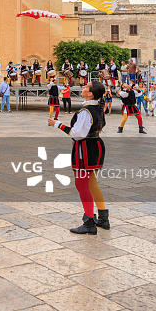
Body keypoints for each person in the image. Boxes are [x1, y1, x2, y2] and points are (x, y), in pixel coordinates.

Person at [49, 79, 108, 235]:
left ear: (90, 94)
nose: (83, 87)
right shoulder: (97, 107)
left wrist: (57, 124)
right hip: (96, 145)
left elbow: (77, 134)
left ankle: (89, 222)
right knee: (92, 183)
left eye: (86, 87)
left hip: (85, 150)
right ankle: (103, 218)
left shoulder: (86, 111)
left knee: (82, 185)